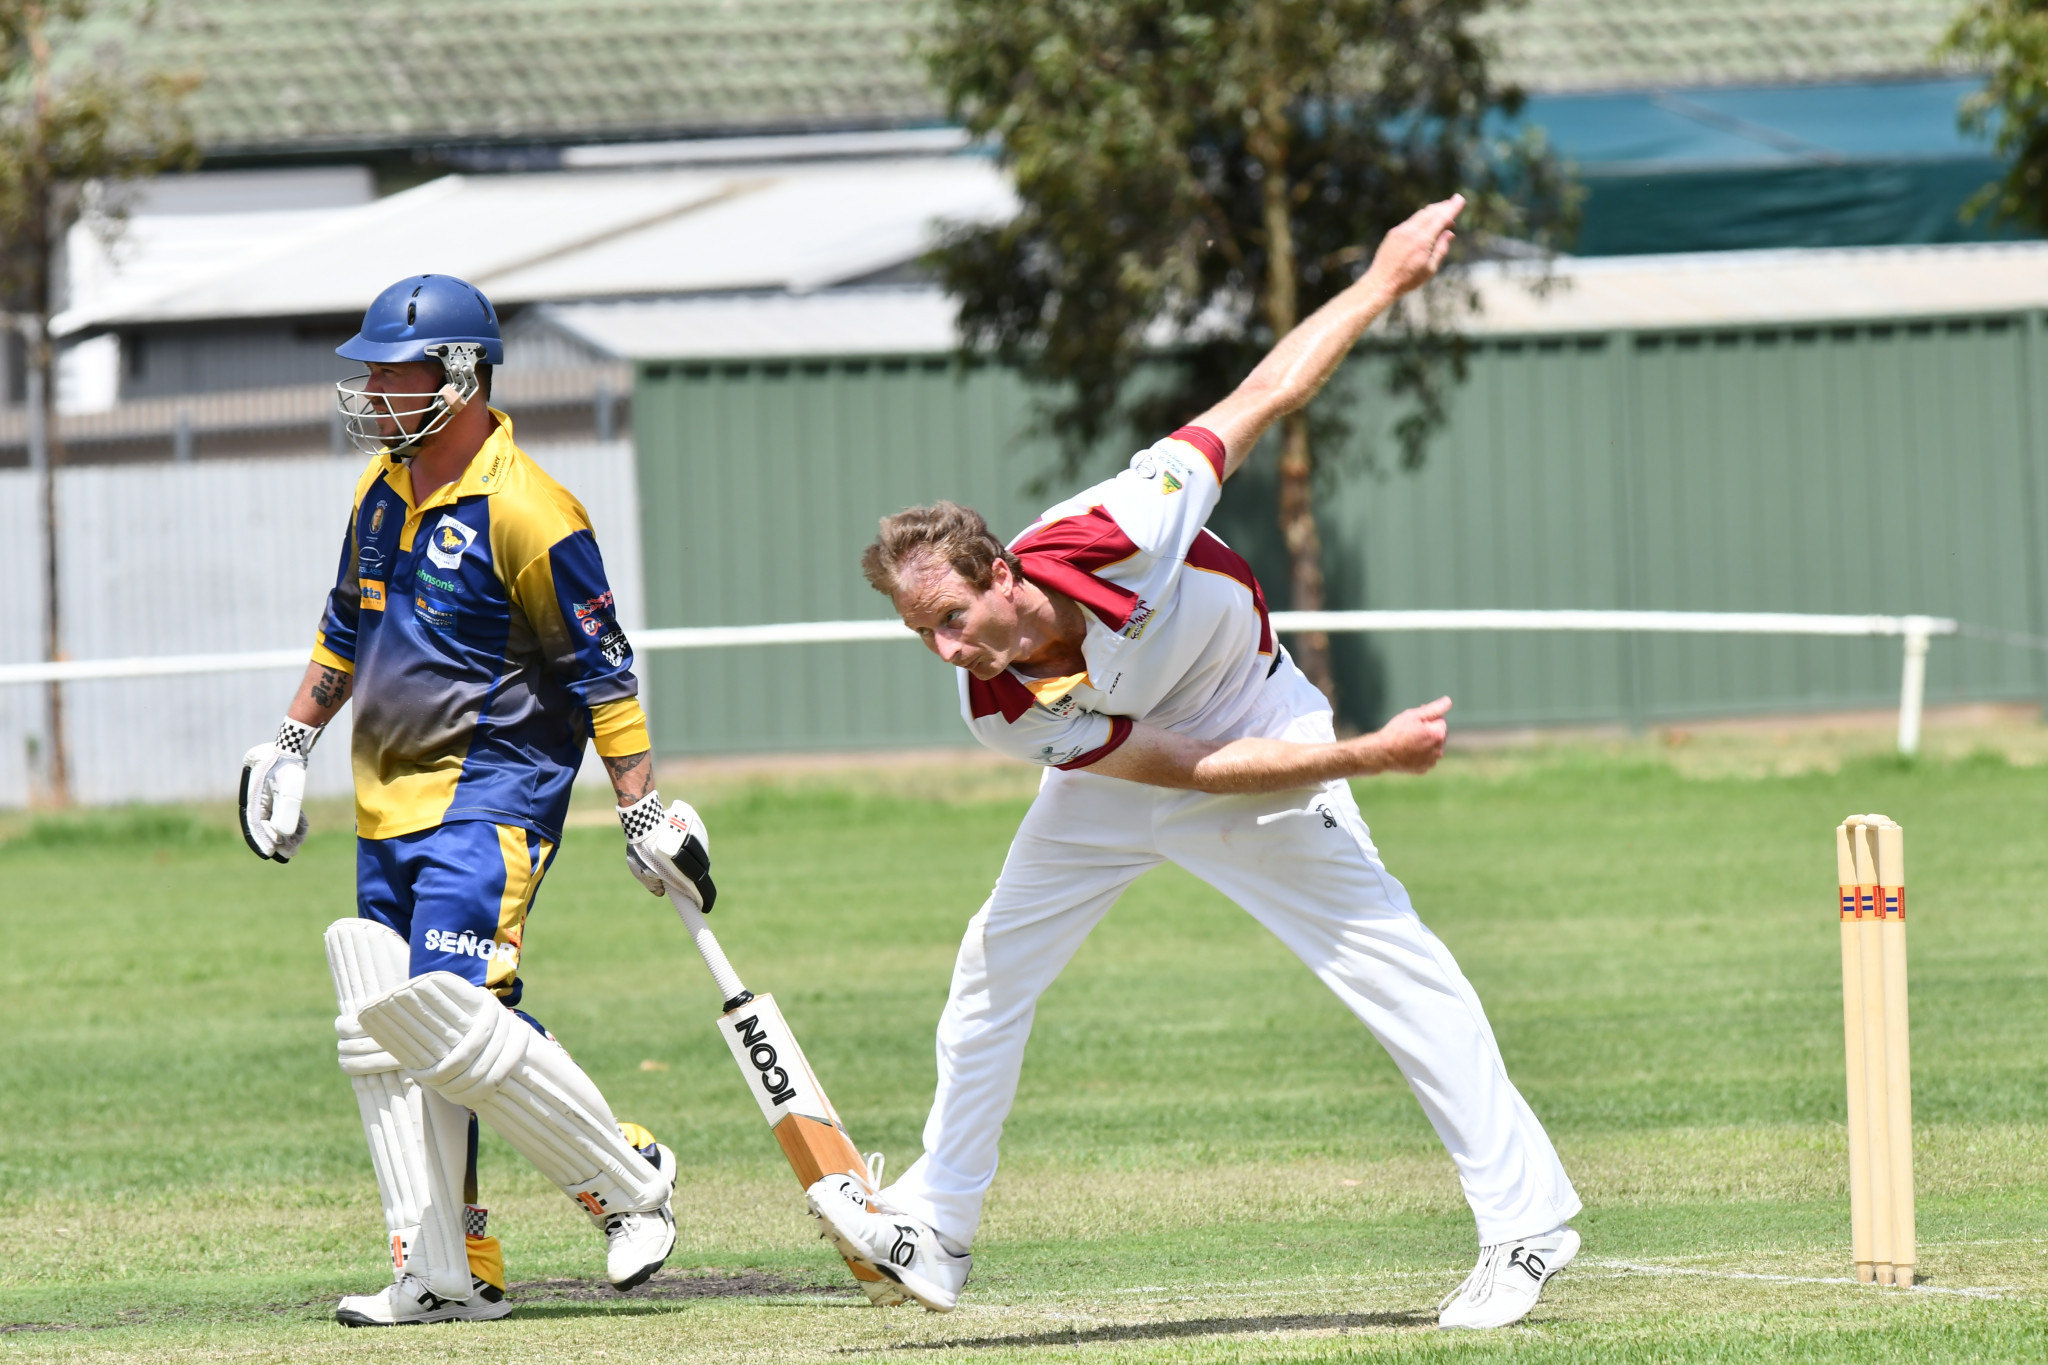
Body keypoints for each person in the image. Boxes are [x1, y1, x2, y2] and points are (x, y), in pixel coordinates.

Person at [808, 197, 1581, 1330]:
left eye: (951, 616)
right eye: (919, 632)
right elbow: (1177, 774)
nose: (942, 648)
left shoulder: (1120, 525)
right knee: (992, 968)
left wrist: (1382, 278)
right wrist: (1376, 754)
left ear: (1002, 575)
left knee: (1389, 968)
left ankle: (1526, 1228)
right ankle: (939, 1227)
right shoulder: (996, 707)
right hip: (1140, 768)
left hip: (1257, 721)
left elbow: (1265, 392)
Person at [238, 274, 717, 1327]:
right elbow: (342, 632)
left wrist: (641, 809)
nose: (368, 387)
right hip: (387, 805)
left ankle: (625, 1174)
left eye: (389, 369)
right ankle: (455, 1266)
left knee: (453, 1015)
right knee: (409, 1038)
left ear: (456, 377)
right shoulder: (379, 490)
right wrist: (287, 746)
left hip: (492, 798)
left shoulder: (532, 510)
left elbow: (603, 672)